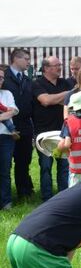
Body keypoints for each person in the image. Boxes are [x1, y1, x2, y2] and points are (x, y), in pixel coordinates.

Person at [32, 56, 70, 201]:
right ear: (46, 68)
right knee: (46, 168)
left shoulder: (64, 82)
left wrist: (55, 99)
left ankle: (63, 197)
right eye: (56, 65)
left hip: (62, 132)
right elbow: (46, 101)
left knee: (63, 167)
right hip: (44, 134)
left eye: (60, 64)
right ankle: (47, 198)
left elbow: (69, 103)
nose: (60, 67)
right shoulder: (37, 84)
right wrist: (65, 95)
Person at [2, 49, 35, 200]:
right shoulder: (4, 77)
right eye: (26, 59)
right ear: (15, 59)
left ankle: (23, 192)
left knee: (24, 160)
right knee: (4, 164)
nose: (29, 62)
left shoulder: (28, 79)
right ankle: (5, 195)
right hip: (6, 127)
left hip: (25, 125)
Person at [0, 68, 19, 210]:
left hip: (6, 137)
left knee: (5, 170)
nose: (1, 81)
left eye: (1, 78)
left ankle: (6, 201)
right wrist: (7, 113)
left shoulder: (7, 94)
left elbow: (14, 111)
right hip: (8, 132)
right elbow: (9, 112)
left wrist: (5, 114)